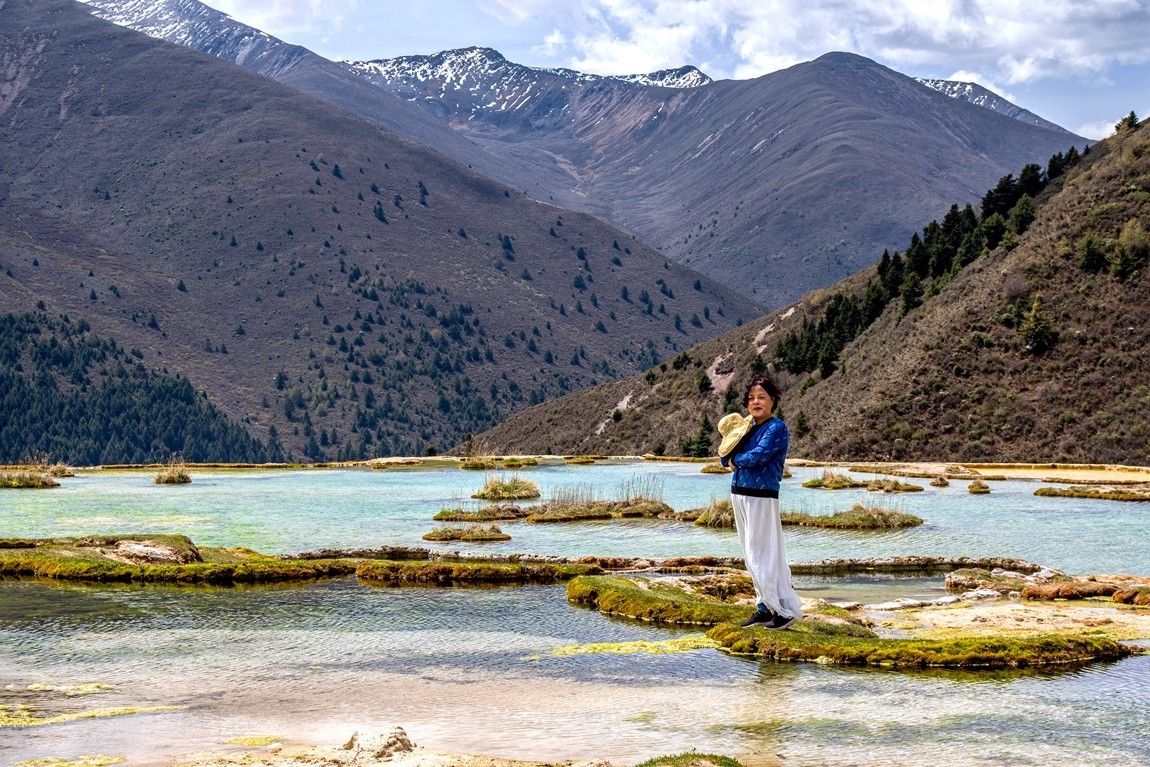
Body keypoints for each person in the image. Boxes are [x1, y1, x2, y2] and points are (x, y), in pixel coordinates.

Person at [718, 373, 803, 629]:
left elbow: (759, 456)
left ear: (773, 400)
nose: (756, 402)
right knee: (751, 554)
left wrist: (735, 460)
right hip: (741, 494)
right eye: (751, 398)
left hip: (761, 497)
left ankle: (782, 611)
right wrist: (731, 459)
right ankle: (764, 607)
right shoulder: (747, 428)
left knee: (762, 554)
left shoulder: (776, 428)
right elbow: (725, 455)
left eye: (762, 397)